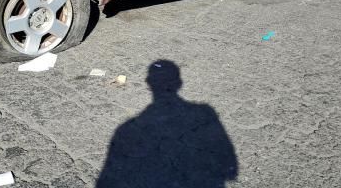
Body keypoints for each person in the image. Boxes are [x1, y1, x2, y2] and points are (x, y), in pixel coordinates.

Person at [96, 60, 238, 188]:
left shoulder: (125, 128)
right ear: (179, 83)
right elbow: (230, 168)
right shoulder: (205, 112)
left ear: (149, 82)